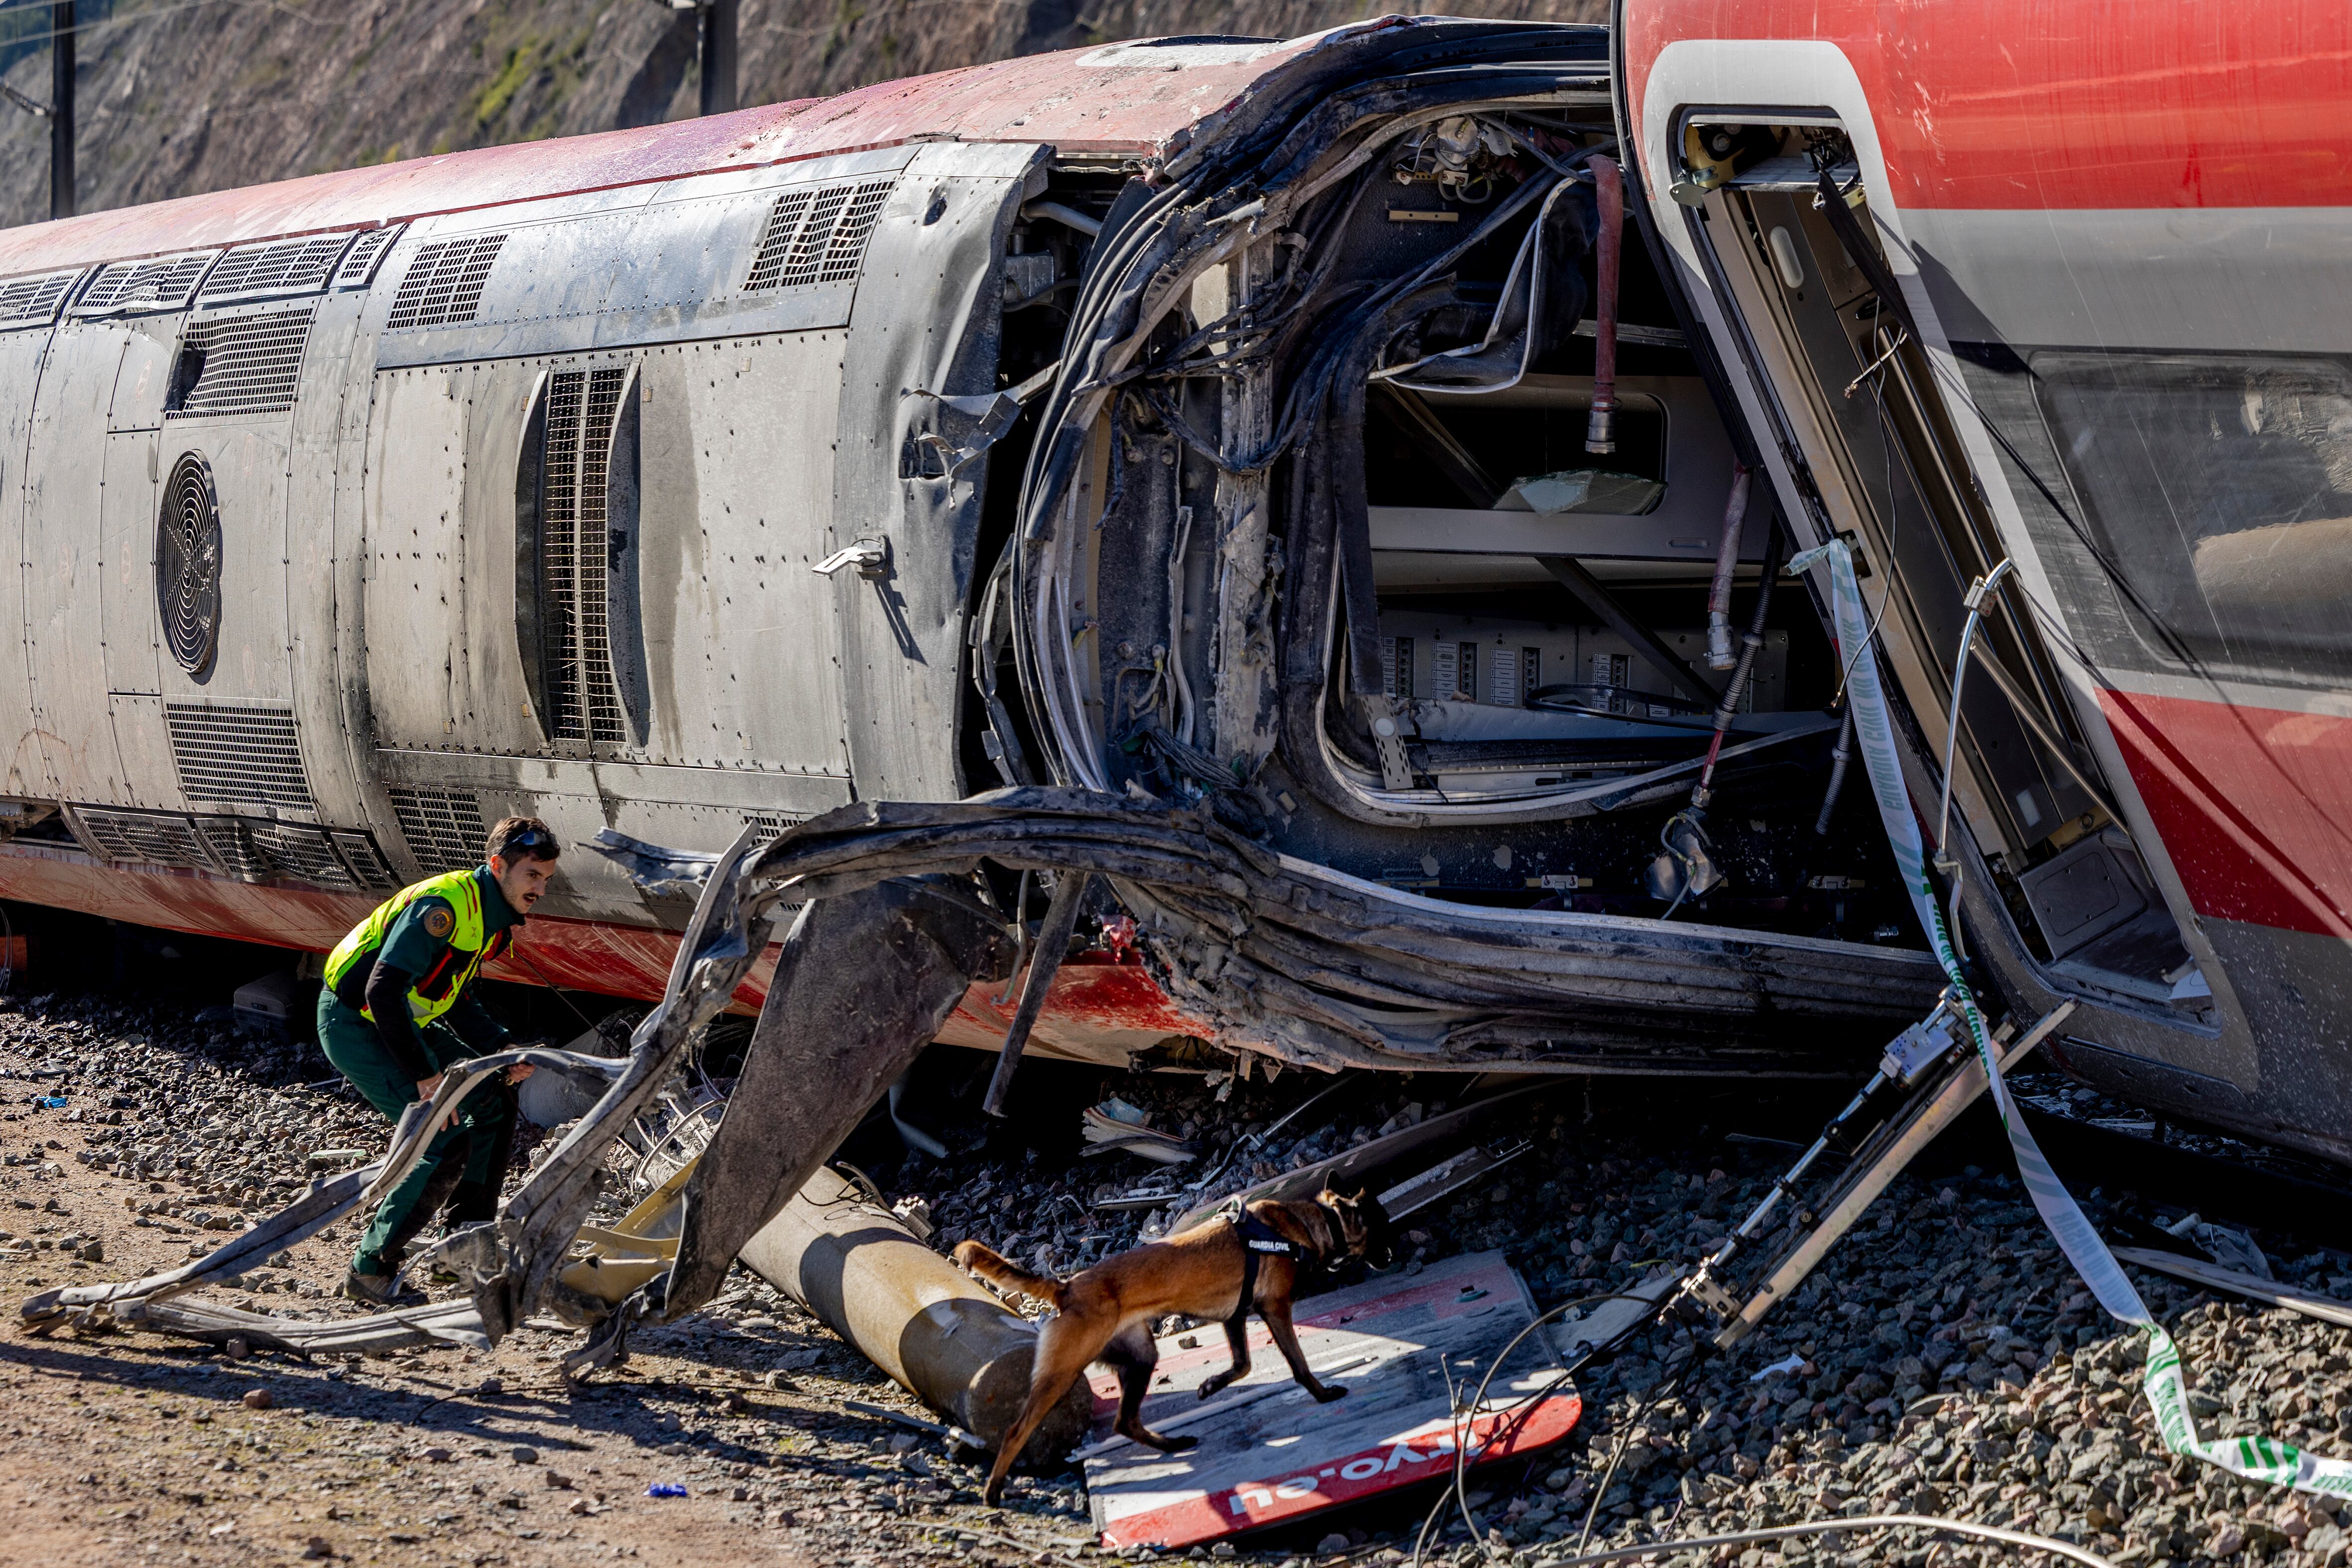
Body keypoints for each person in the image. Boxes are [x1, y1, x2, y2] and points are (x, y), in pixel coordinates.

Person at [317, 817, 558, 1304]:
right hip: (357, 1024)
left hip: (408, 1022)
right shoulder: (444, 907)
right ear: (498, 866)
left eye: (547, 879)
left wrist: (501, 1051)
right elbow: (382, 991)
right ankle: (371, 1269)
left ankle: (462, 1252)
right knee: (441, 1139)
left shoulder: (490, 918)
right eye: (532, 875)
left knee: (495, 1101)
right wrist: (426, 1077)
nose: (540, 889)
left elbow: (454, 997)